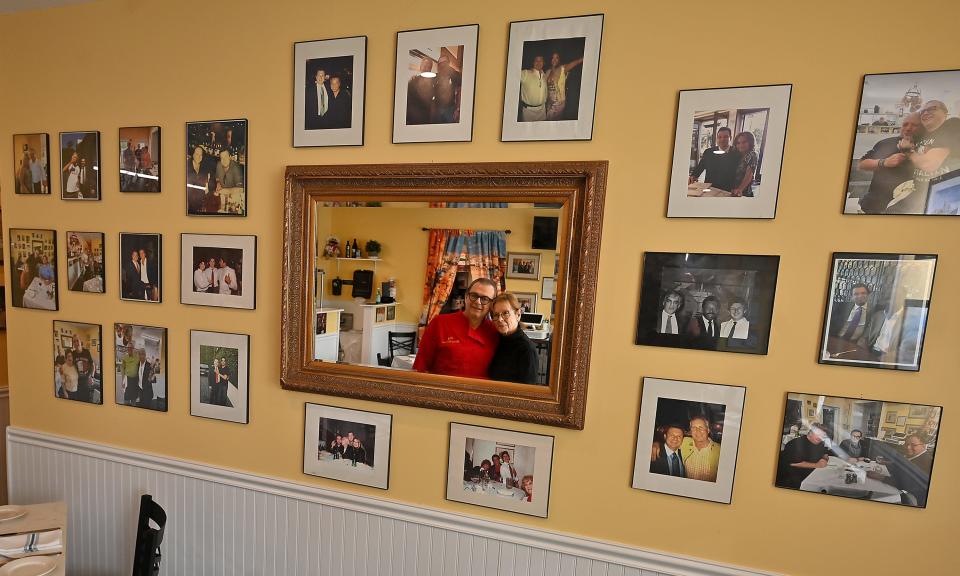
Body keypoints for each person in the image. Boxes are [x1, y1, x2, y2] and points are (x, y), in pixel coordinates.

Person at [414, 278, 500, 379]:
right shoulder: (439, 323)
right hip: (443, 391)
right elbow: (421, 367)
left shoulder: (495, 331)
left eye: (485, 299)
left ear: (492, 304)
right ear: (466, 297)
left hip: (480, 393)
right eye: (474, 296)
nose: (478, 302)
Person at [890, 100, 960, 213]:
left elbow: (929, 164)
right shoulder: (922, 135)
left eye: (932, 108)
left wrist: (908, 151)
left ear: (945, 113)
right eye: (922, 111)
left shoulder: (952, 125)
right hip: (919, 197)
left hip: (945, 196)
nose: (925, 113)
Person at [856, 112, 923, 213]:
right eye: (905, 124)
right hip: (875, 205)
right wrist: (884, 162)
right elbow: (861, 164)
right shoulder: (886, 143)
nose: (908, 128)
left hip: (909, 209)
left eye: (915, 125)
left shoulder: (926, 147)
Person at [487, 293, 539, 384]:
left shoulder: (527, 349)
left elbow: (528, 390)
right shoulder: (497, 339)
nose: (500, 319)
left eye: (505, 313)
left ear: (518, 315)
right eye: (496, 315)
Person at [828, 283, 884, 348]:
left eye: (863, 293)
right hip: (836, 338)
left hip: (855, 343)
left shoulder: (874, 310)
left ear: (868, 295)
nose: (860, 296)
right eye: (856, 294)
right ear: (852, 296)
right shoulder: (841, 306)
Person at [777, 424, 830, 489]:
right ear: (810, 433)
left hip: (812, 473)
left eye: (823, 435)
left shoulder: (820, 443)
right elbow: (793, 463)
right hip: (794, 477)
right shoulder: (795, 444)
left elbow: (825, 453)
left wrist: (824, 459)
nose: (821, 437)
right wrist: (817, 465)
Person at [689, 127, 740, 192]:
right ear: (717, 138)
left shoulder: (736, 153)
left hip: (728, 190)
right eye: (719, 137)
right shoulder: (708, 152)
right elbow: (700, 167)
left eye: (725, 137)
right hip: (709, 188)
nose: (722, 139)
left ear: (730, 138)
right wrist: (693, 176)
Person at [545, 51, 583, 121]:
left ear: (559, 60)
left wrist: (586, 56)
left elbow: (577, 62)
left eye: (557, 58)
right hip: (549, 103)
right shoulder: (547, 72)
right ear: (550, 60)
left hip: (559, 104)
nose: (554, 60)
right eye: (553, 58)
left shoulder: (563, 68)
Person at [519, 55, 548, 122]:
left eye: (541, 60)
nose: (538, 62)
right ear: (533, 62)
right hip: (528, 112)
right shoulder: (525, 73)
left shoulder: (545, 75)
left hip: (542, 111)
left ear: (543, 63)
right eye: (536, 60)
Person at [406, 58, 435, 125]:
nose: (426, 68)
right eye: (424, 65)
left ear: (430, 69)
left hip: (426, 118)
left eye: (428, 66)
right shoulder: (413, 81)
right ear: (420, 67)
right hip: (412, 118)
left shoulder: (434, 81)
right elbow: (407, 99)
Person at [730, 132, 758, 197]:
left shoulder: (752, 154)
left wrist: (740, 189)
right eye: (738, 143)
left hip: (743, 192)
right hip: (733, 190)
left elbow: (749, 175)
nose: (741, 145)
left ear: (750, 142)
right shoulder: (738, 154)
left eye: (744, 142)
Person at [187, 146, 213, 213]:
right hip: (188, 201)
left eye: (201, 155)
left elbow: (207, 177)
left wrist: (207, 185)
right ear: (193, 154)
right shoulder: (187, 165)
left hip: (200, 199)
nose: (198, 156)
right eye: (197, 154)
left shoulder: (203, 166)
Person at [73, 336, 94, 403]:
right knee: (79, 400)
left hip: (86, 379)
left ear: (80, 342)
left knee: (86, 400)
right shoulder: (73, 354)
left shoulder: (86, 352)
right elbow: (69, 364)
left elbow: (92, 365)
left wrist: (92, 376)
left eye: (77, 340)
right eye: (74, 341)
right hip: (77, 381)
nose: (76, 343)